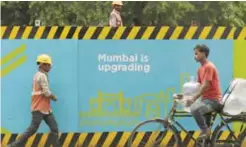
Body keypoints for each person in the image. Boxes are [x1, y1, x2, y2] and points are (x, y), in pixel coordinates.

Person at [8, 54, 60, 147]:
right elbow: (46, 92)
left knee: (54, 128)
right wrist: (54, 97)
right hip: (39, 108)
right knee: (33, 129)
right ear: (43, 64)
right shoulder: (41, 76)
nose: (50, 67)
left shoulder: (38, 75)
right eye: (49, 65)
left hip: (45, 108)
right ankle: (14, 145)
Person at [186, 44, 222, 138]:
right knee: (206, 139)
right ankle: (207, 136)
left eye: (197, 53)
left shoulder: (209, 67)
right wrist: (185, 96)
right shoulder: (200, 69)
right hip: (205, 100)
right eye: (194, 54)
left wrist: (193, 99)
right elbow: (199, 87)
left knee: (194, 109)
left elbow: (205, 86)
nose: (195, 56)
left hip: (214, 101)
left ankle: (205, 130)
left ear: (204, 53)